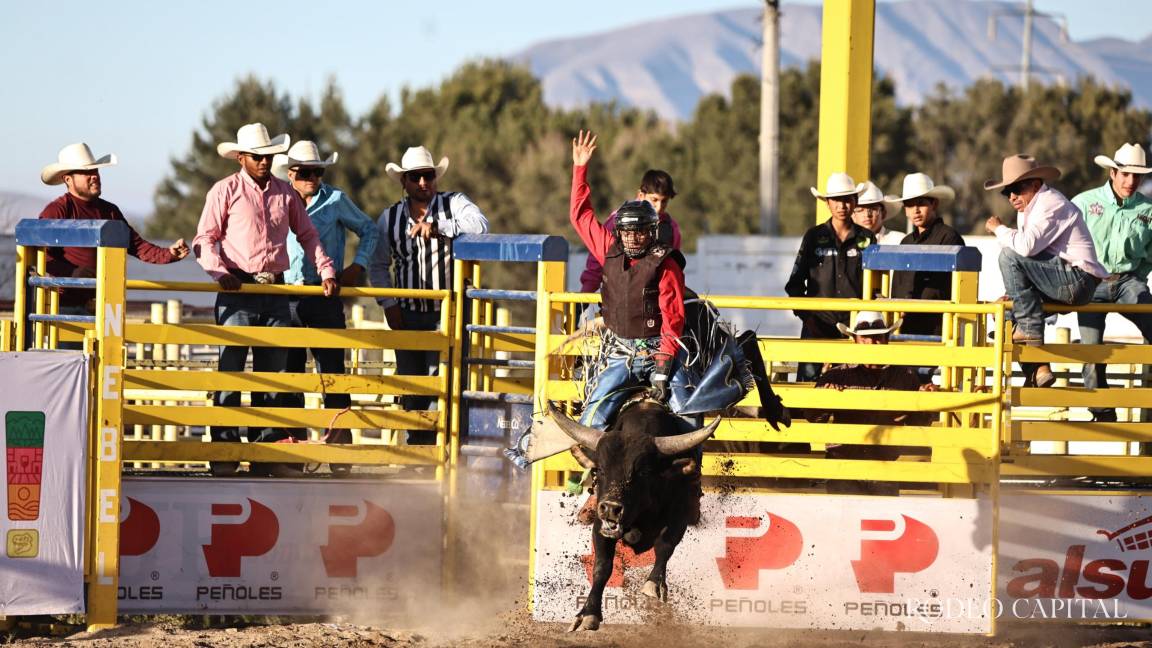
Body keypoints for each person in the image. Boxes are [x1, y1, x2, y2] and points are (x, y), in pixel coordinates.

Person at [193, 123, 338, 477]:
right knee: (231, 375)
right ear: (241, 157)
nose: (263, 161)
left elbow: (307, 234)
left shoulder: (285, 194)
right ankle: (225, 452)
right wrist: (219, 272)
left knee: (271, 377)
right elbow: (204, 239)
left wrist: (326, 268)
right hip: (237, 289)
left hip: (273, 291)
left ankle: (266, 453)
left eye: (267, 156)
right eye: (258, 156)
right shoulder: (224, 191)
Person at [368, 145, 489, 445]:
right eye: (416, 177)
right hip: (407, 314)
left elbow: (481, 226)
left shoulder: (454, 203)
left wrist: (439, 227)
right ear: (404, 182)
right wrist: (388, 303)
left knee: (444, 384)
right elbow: (378, 264)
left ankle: (441, 450)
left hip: (447, 314)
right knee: (413, 386)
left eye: (428, 176)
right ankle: (418, 450)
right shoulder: (390, 218)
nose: (424, 182)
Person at [569, 130, 687, 430]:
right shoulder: (609, 248)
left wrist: (663, 362)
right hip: (622, 352)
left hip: (660, 348)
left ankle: (691, 469)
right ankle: (580, 475)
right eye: (628, 231)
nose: (633, 237)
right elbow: (580, 216)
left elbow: (673, 315)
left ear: (652, 231)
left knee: (689, 416)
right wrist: (580, 168)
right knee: (589, 422)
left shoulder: (666, 260)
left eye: (640, 231)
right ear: (619, 231)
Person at [274, 141, 378, 473]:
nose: (312, 178)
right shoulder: (277, 198)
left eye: (317, 172)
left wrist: (356, 267)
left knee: (332, 375)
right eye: (305, 172)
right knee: (290, 377)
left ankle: (339, 448)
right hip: (287, 294)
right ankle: (295, 448)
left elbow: (369, 230)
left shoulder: (334, 200)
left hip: (324, 295)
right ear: (291, 173)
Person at [37, 143, 189, 336]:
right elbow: (42, 258)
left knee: (102, 360)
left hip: (104, 304)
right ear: (68, 179)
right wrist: (74, 273)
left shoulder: (109, 211)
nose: (95, 176)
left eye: (96, 171)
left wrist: (169, 254)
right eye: (87, 172)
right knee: (73, 359)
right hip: (66, 306)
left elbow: (136, 245)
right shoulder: (57, 211)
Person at [984, 154, 1107, 389]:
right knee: (1007, 315)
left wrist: (999, 228)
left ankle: (1030, 331)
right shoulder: (1032, 209)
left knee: (1008, 255)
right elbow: (1029, 259)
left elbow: (1024, 248)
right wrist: (1014, 294)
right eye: (1007, 191)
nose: (1012, 196)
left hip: (1076, 279)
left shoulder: (1050, 203)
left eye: (1017, 188)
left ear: (1035, 184)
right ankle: (1039, 370)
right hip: (1067, 278)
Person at [805, 310, 937, 496]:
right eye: (865, 338)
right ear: (855, 341)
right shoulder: (836, 375)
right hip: (843, 465)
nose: (872, 343)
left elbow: (918, 423)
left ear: (886, 340)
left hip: (882, 465)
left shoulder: (904, 377)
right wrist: (824, 398)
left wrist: (924, 402)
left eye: (877, 337)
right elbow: (813, 417)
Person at [1071, 143, 1152, 422]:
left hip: (1129, 281)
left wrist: (1138, 277)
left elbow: (1151, 254)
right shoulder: (1083, 202)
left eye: (1137, 176)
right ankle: (1103, 412)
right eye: (1125, 174)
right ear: (1113, 172)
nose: (1131, 181)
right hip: (1091, 281)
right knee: (1091, 350)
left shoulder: (1148, 210)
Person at [785, 173, 876, 382]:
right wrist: (808, 318)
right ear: (827, 203)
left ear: (855, 202)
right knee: (808, 383)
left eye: (847, 199)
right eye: (836, 200)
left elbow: (876, 286)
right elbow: (795, 284)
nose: (842, 205)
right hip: (817, 323)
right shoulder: (813, 237)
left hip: (855, 327)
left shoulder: (867, 238)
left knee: (857, 383)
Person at [579, 169, 682, 294]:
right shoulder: (620, 219)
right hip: (619, 295)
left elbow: (673, 271)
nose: (659, 207)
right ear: (640, 195)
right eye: (654, 200)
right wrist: (585, 296)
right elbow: (598, 259)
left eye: (664, 201)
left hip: (654, 300)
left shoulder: (671, 228)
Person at [888, 173, 965, 339]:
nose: (915, 210)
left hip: (940, 325)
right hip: (907, 325)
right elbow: (898, 284)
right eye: (909, 205)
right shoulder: (906, 242)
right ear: (905, 210)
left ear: (934, 204)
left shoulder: (950, 237)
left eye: (921, 203)